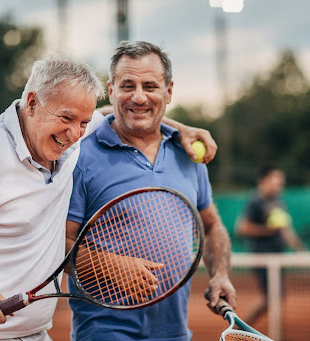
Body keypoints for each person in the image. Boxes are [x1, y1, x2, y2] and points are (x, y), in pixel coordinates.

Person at [0, 53, 218, 341]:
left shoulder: (68, 135)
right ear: (32, 102)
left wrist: (181, 129)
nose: (75, 133)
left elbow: (118, 113)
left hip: (31, 331)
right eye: (66, 118)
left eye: (82, 122)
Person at [65, 41, 236, 341]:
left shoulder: (189, 155)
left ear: (168, 92)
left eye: (150, 86)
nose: (139, 96)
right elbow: (58, 244)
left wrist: (220, 273)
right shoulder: (80, 156)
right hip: (105, 331)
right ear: (111, 90)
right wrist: (110, 266)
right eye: (127, 85)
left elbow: (211, 226)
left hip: (173, 331)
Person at [237, 165, 306, 325]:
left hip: (277, 256)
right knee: (272, 296)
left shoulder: (278, 201)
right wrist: (268, 230)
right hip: (262, 256)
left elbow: (284, 229)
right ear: (264, 180)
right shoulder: (255, 200)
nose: (280, 182)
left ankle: (275, 332)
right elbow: (243, 228)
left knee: (277, 296)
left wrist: (297, 246)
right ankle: (240, 327)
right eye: (277, 178)